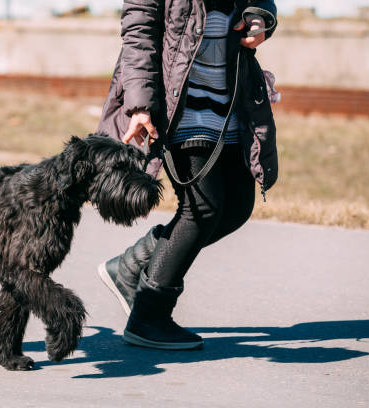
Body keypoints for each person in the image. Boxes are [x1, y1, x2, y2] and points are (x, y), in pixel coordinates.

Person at [97, 0, 278, 350]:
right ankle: (150, 316)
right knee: (202, 209)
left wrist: (262, 16)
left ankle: (133, 265)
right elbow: (139, 33)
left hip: (229, 100)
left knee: (237, 207)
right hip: (178, 102)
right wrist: (138, 105)